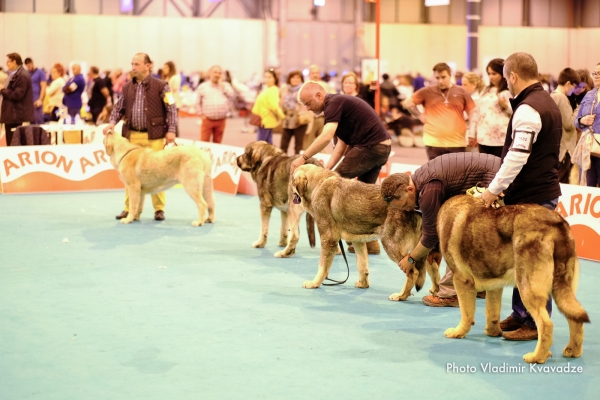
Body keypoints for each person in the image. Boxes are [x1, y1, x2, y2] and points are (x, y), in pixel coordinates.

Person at [481, 52, 562, 341]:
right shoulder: (546, 100)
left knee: (533, 263)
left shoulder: (528, 109)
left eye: (506, 78)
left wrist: (492, 190)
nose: (506, 84)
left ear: (513, 76)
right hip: (539, 194)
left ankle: (534, 323)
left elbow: (517, 157)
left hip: (534, 199)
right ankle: (521, 313)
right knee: (522, 260)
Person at [382, 152, 502, 307]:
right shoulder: (420, 180)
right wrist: (437, 248)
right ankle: (478, 285)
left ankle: (449, 294)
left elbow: (431, 234)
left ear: (410, 189)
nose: (407, 210)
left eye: (405, 205)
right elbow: (436, 222)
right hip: (495, 174)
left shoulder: (428, 191)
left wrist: (411, 259)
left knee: (459, 239)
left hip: (497, 180)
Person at [290, 82, 392, 254]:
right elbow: (341, 146)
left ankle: (331, 238)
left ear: (319, 96)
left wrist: (303, 157)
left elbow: (326, 136)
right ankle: (370, 243)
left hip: (370, 147)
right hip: (380, 148)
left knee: (328, 186)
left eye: (308, 103)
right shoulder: (338, 106)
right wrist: (327, 169)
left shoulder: (333, 103)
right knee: (363, 197)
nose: (307, 108)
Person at [102, 53, 177, 222]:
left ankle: (159, 209)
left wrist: (171, 130)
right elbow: (118, 108)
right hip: (131, 138)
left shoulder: (162, 85)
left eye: (137, 64)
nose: (133, 67)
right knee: (130, 176)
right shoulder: (127, 87)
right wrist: (112, 122)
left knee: (158, 172)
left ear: (148, 65)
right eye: (132, 64)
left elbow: (171, 109)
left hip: (154, 137)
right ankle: (130, 209)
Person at [402, 63, 476, 160]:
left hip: (457, 142)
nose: (440, 81)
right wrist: (420, 116)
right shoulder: (426, 91)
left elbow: (472, 112)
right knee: (435, 174)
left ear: (450, 75)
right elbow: (407, 103)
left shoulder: (461, 92)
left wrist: (472, 132)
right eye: (437, 78)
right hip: (433, 142)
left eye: (443, 77)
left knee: (457, 174)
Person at [468, 58, 513, 158]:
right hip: (483, 137)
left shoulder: (510, 91)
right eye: (489, 73)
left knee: (498, 169)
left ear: (503, 74)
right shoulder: (485, 90)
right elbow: (476, 112)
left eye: (494, 74)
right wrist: (472, 133)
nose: (490, 77)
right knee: (485, 168)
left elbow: (518, 113)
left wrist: (506, 106)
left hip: (501, 139)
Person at [551, 68, 580, 184]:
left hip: (557, 147)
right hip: (564, 149)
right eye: (574, 86)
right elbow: (569, 124)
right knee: (562, 182)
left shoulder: (552, 95)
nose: (574, 91)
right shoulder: (561, 98)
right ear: (568, 83)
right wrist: (578, 109)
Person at [574, 62, 600, 187]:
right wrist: (581, 121)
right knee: (586, 186)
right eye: (595, 73)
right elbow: (576, 121)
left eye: (599, 73)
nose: (596, 76)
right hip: (587, 149)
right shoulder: (589, 95)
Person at [0, 53, 34, 146]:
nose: (7, 64)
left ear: (14, 62)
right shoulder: (14, 75)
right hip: (12, 115)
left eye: (8, 62)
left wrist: (2, 90)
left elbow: (17, 95)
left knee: (15, 143)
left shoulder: (22, 75)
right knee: (11, 142)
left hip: (17, 116)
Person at [196, 65, 234, 143]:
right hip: (207, 119)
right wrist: (200, 113)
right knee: (204, 142)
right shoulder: (203, 86)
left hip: (221, 120)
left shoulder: (226, 86)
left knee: (217, 142)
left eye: (219, 73)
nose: (217, 74)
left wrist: (222, 85)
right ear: (210, 73)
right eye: (215, 72)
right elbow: (197, 102)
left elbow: (231, 95)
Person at [303, 65, 336, 150]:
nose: (315, 75)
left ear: (320, 74)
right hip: (309, 119)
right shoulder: (304, 86)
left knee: (322, 144)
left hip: (322, 118)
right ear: (309, 74)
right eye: (313, 73)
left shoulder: (326, 86)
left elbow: (334, 100)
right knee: (307, 144)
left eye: (317, 73)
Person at [280, 70, 310, 155]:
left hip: (299, 121)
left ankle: (297, 165)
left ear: (301, 79)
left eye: (298, 77)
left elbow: (306, 106)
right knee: (283, 146)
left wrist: (300, 115)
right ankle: (282, 164)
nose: (295, 79)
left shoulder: (304, 90)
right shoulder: (284, 89)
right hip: (287, 120)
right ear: (289, 79)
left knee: (298, 147)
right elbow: (280, 103)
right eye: (293, 77)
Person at [251, 69, 284, 145]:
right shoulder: (267, 89)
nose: (267, 79)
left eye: (270, 77)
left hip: (266, 121)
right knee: (268, 144)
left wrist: (282, 117)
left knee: (260, 145)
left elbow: (274, 106)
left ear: (275, 79)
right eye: (265, 77)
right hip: (263, 120)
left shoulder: (273, 89)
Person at [24, 58, 47, 125]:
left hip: (37, 100)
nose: (29, 68)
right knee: (32, 121)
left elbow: (43, 87)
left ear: (32, 63)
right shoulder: (28, 73)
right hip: (29, 101)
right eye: (27, 67)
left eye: (29, 66)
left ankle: (41, 135)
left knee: (39, 120)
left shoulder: (40, 73)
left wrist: (40, 99)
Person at [162, 61, 182, 135]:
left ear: (170, 68)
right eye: (163, 68)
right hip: (167, 102)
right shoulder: (166, 78)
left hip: (173, 102)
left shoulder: (175, 78)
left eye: (166, 67)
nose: (164, 69)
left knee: (173, 123)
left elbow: (173, 91)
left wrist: (170, 104)